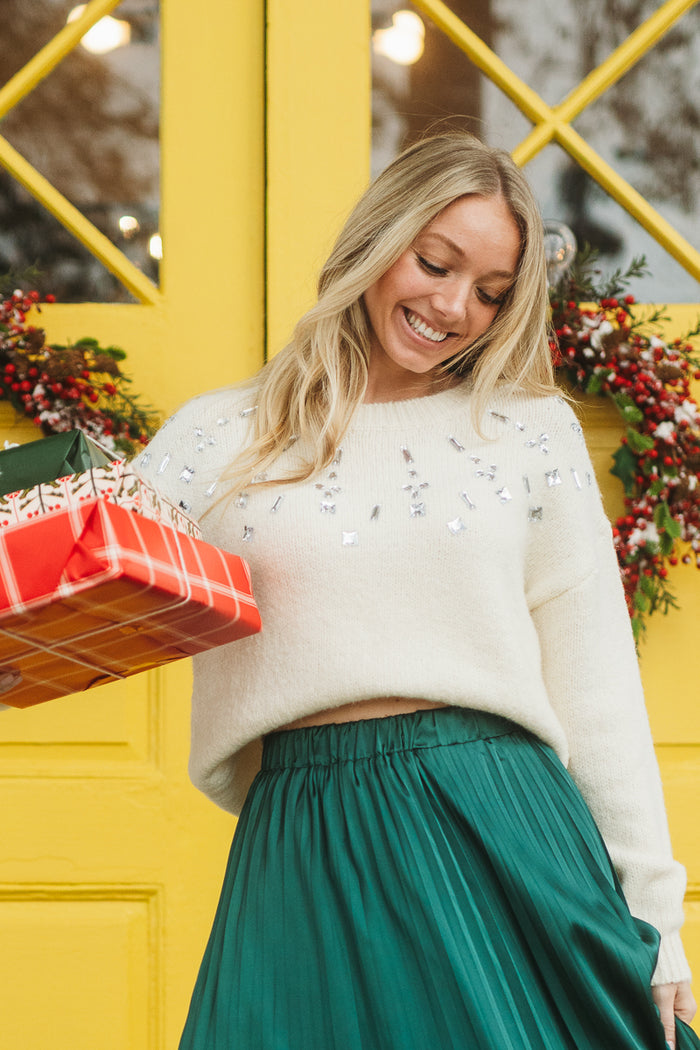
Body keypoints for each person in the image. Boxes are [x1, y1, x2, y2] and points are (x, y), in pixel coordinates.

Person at [136, 132, 699, 1049]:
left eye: (489, 292)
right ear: (377, 240)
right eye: (435, 264)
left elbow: (597, 690)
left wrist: (659, 923)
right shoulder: (219, 435)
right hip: (303, 831)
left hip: (496, 815)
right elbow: (80, 578)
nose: (453, 307)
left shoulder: (526, 432)